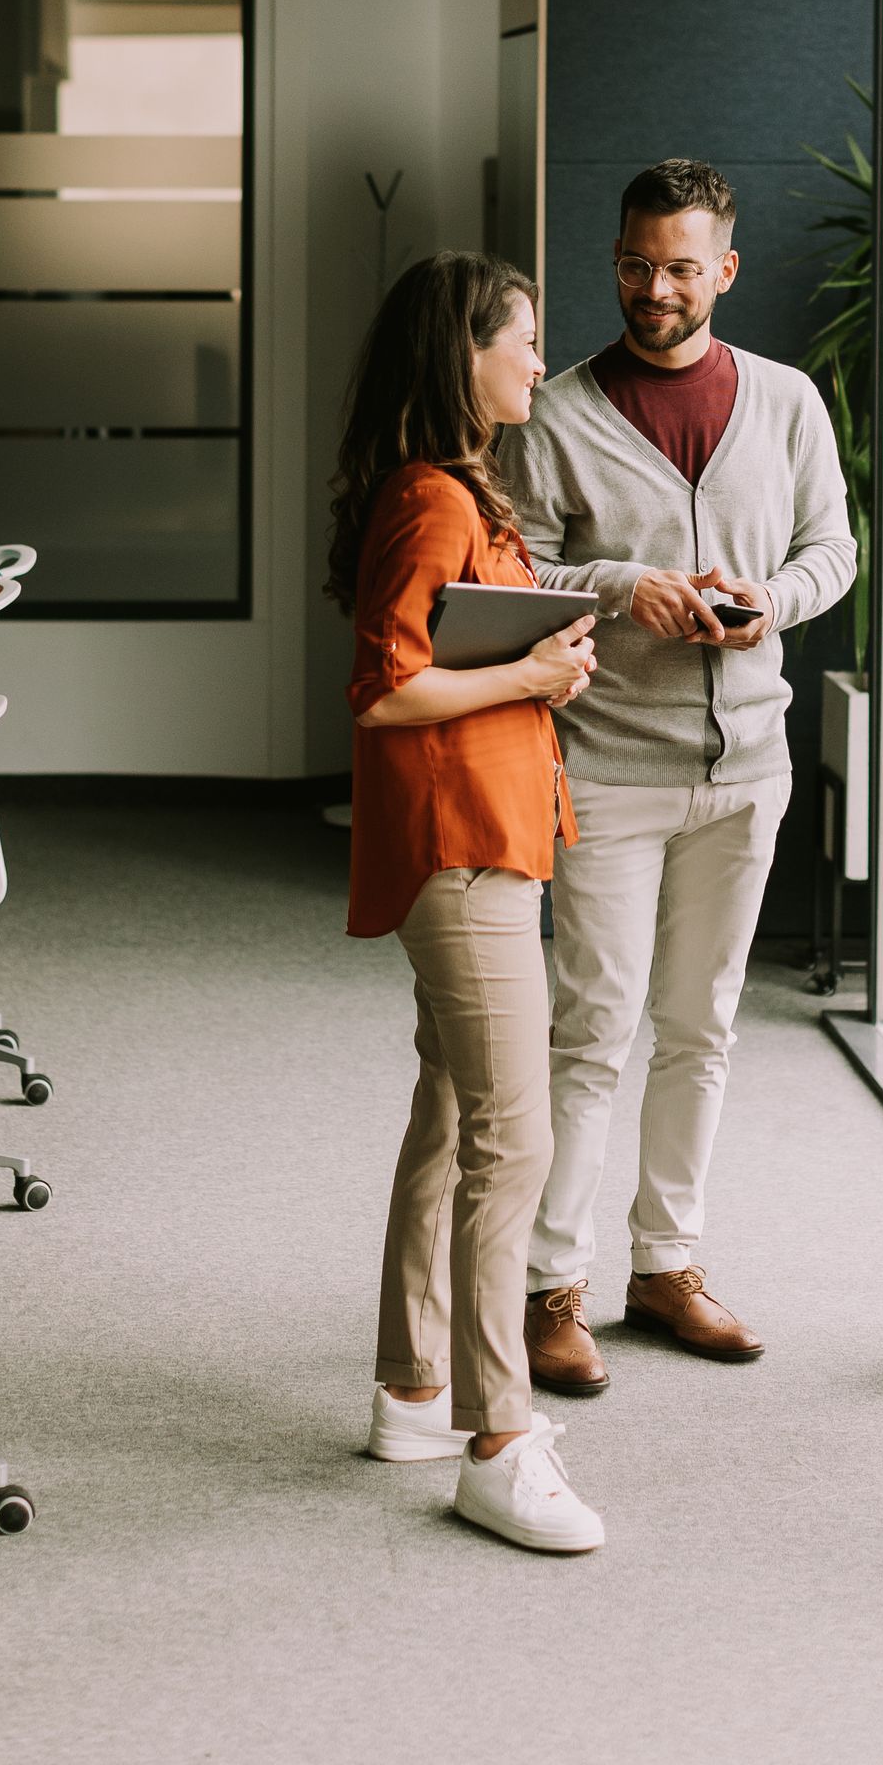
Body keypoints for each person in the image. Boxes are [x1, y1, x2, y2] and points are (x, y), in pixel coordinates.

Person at [499, 158, 855, 1392]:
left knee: (702, 1028)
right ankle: (554, 1284)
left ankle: (667, 1265)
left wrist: (776, 606)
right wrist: (622, 585)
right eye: (637, 264)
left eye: (681, 267)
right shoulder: (557, 412)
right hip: (607, 765)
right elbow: (518, 569)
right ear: (616, 259)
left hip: (747, 764)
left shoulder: (788, 402)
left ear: (726, 271)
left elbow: (832, 549)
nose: (655, 288)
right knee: (591, 1029)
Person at [330, 250, 606, 1556]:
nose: (540, 364)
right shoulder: (432, 498)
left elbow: (450, 657)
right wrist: (534, 676)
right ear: (467, 355)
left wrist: (535, 664)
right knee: (515, 1135)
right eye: (525, 341)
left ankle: (412, 1389)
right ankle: (500, 1437)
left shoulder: (451, 490)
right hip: (462, 843)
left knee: (452, 1111)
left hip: (486, 830)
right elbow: (385, 690)